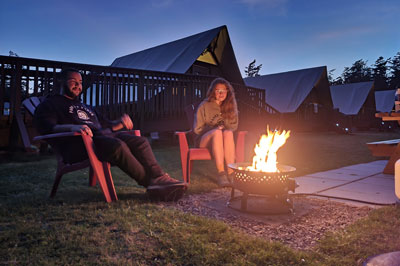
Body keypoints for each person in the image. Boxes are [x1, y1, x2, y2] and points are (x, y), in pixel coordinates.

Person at [33, 68, 187, 201]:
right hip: (76, 145)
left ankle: (159, 178)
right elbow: (48, 127)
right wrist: (73, 127)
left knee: (140, 141)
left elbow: (107, 126)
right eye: (73, 81)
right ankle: (152, 185)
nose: (78, 85)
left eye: (80, 82)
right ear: (61, 82)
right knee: (117, 146)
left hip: (100, 140)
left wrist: (120, 123)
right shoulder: (50, 104)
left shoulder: (85, 106)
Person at [193, 78, 238, 187]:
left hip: (222, 140)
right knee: (217, 132)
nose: (221, 93)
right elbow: (197, 129)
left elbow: (234, 126)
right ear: (213, 91)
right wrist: (213, 128)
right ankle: (221, 174)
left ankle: (231, 174)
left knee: (228, 133)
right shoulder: (205, 105)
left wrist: (224, 127)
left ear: (228, 92)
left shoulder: (231, 106)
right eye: (218, 90)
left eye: (224, 90)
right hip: (204, 140)